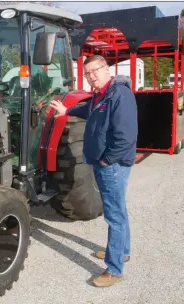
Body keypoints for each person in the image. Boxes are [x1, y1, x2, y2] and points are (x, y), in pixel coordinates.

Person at [49, 55, 138, 287]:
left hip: (112, 164)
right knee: (119, 208)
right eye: (87, 73)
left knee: (114, 216)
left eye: (95, 70)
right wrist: (67, 110)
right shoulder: (102, 95)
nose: (91, 76)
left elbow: (125, 136)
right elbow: (89, 110)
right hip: (106, 162)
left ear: (106, 69)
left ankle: (114, 269)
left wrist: (107, 161)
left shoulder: (119, 94)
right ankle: (123, 251)